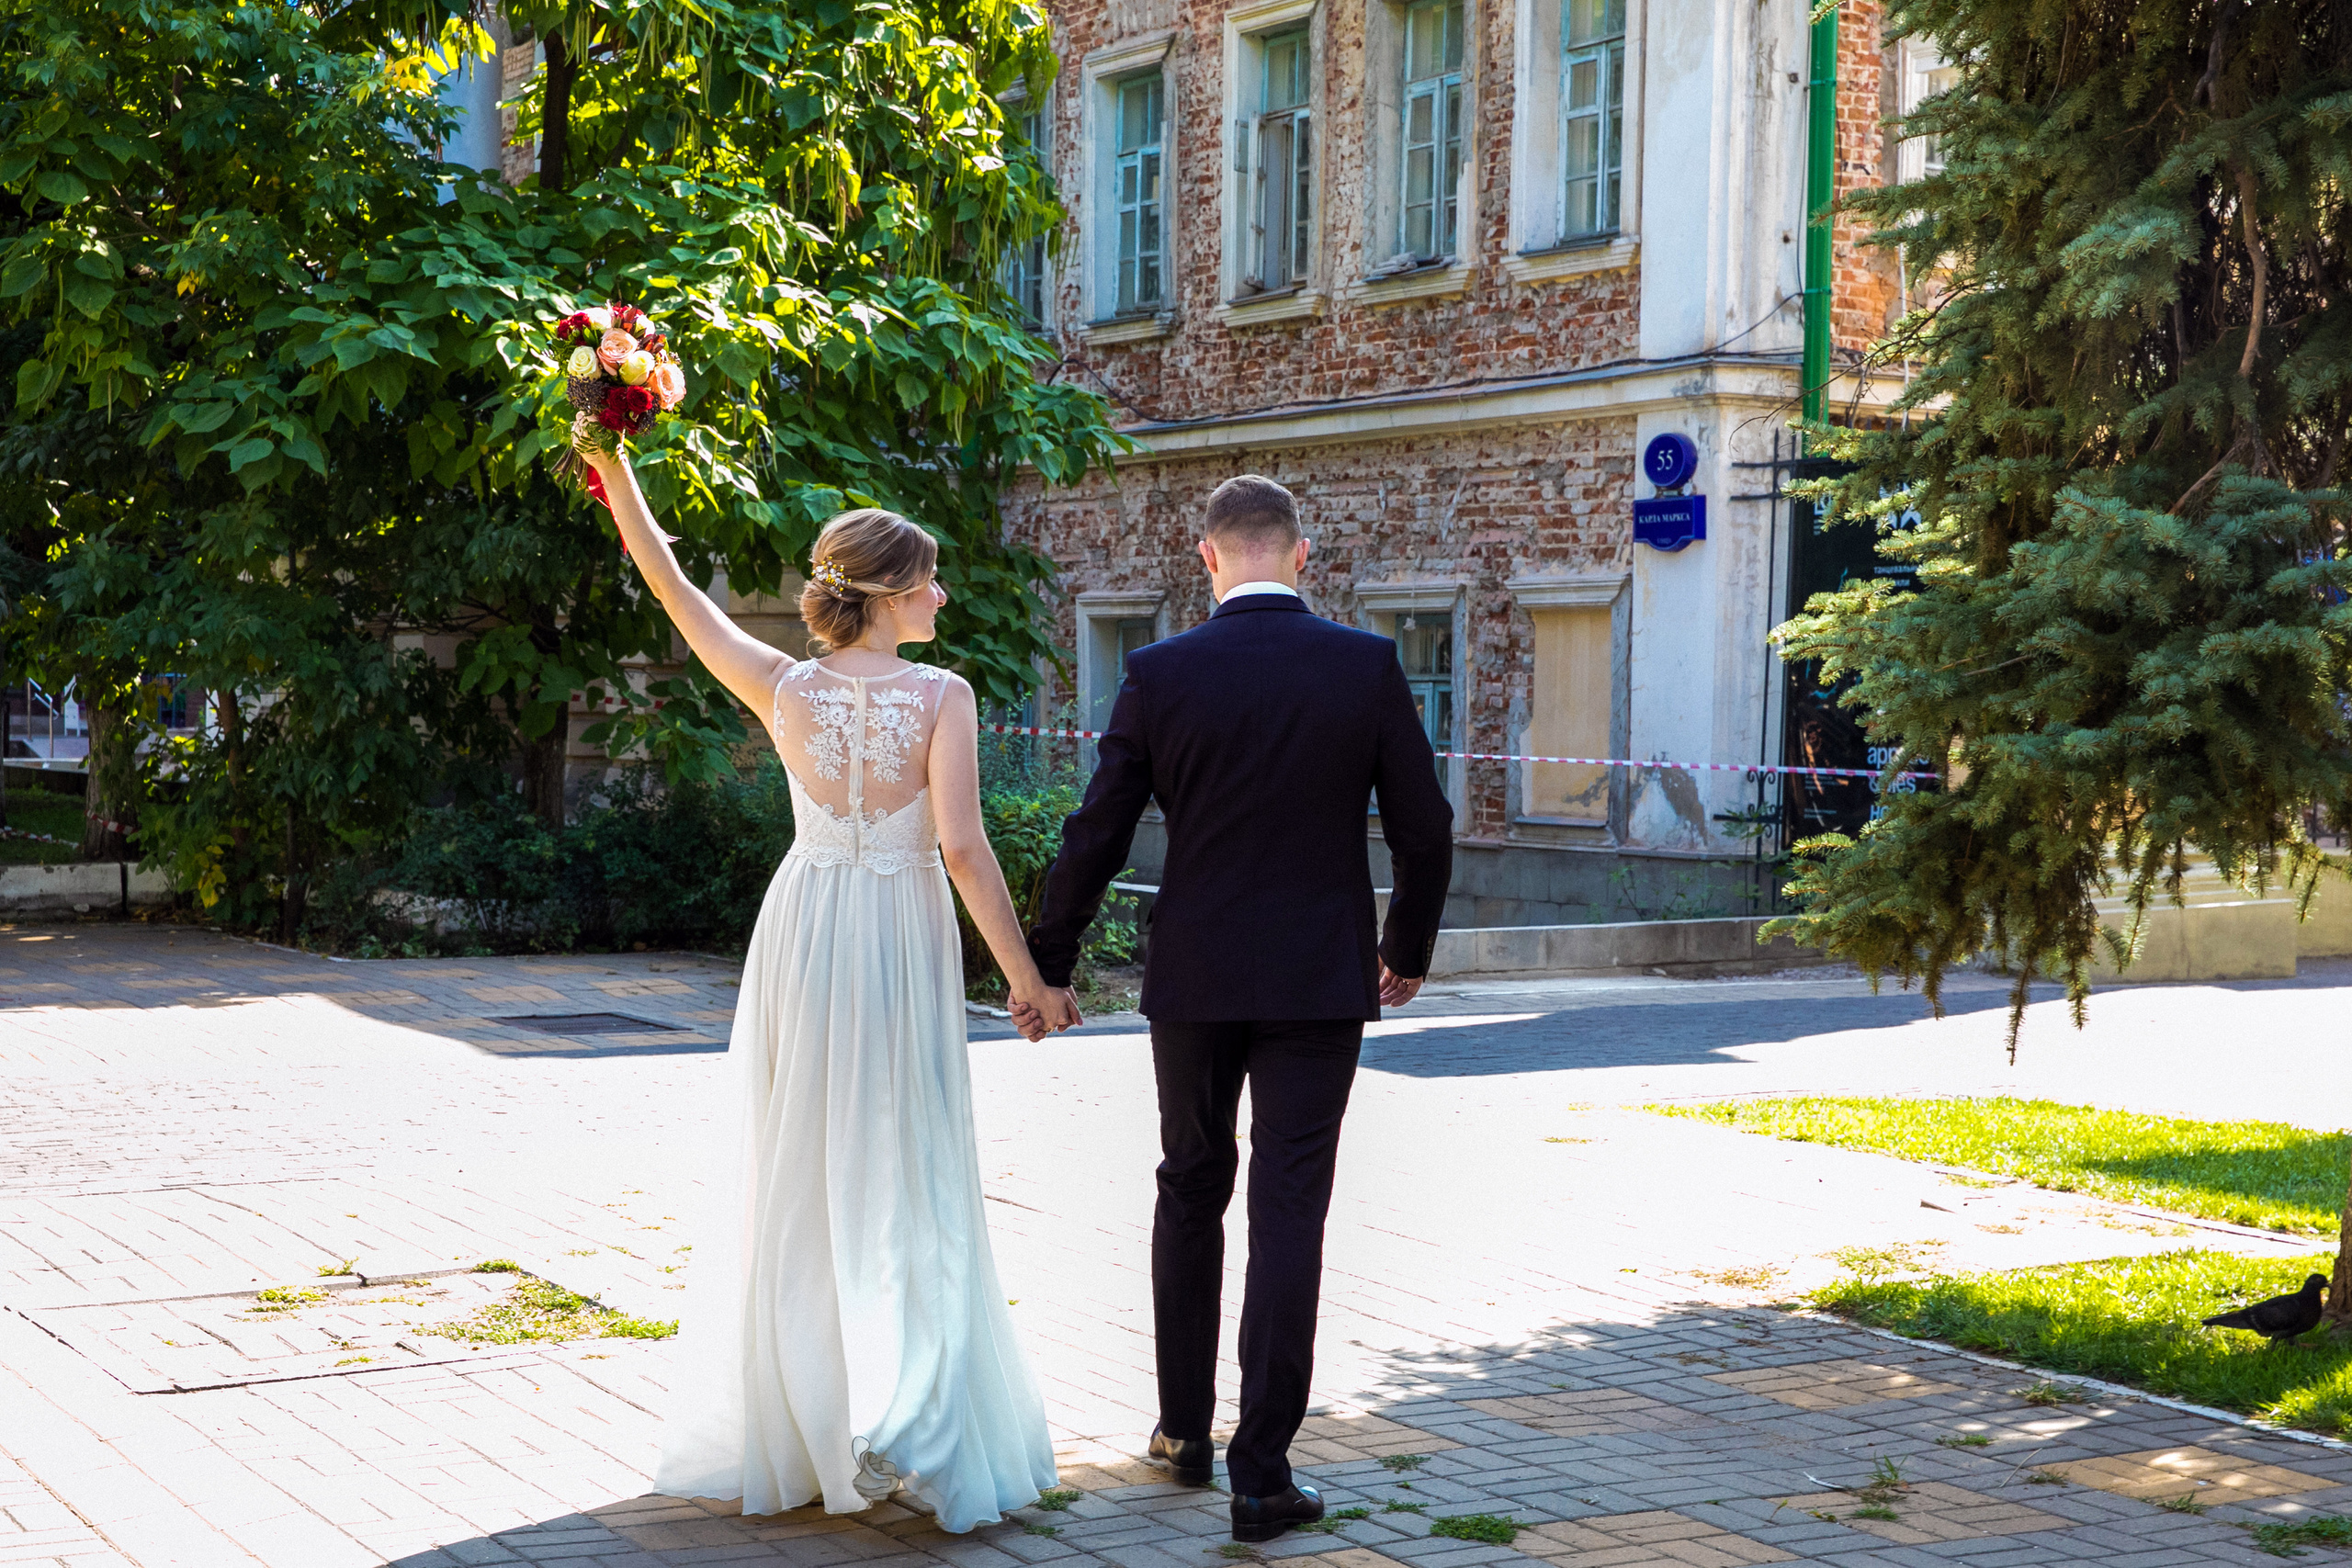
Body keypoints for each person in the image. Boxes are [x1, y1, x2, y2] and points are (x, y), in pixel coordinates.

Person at [582, 446, 1075, 1531]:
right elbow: (960, 849)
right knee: (912, 1164)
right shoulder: (942, 695)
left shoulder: (782, 684)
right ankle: (925, 1421)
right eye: (931, 581)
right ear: (893, 596)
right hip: (898, 933)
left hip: (806, 929)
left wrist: (613, 465)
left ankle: (805, 1434)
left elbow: (669, 581)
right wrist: (1027, 979)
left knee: (798, 1166)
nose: (943, 596)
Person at [1013, 474, 1454, 1543]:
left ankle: (1178, 1430)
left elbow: (1097, 828)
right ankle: (1263, 1472)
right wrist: (1403, 951)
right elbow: (1425, 828)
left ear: (1205, 558)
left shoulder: (1159, 673)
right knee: (1290, 1206)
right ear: (1302, 555)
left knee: (1189, 1185)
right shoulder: (1365, 666)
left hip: (1197, 978)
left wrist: (1047, 963)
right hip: (1319, 978)